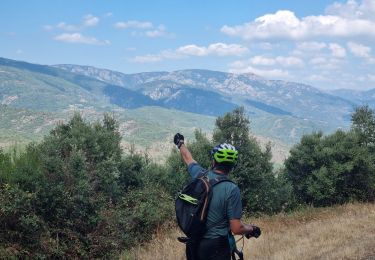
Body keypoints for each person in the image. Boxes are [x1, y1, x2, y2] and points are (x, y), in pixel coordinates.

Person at [173, 133, 261, 260]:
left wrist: (180, 143)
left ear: (213, 161)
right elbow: (236, 228)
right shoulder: (232, 189)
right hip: (216, 247)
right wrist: (251, 228)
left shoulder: (200, 175)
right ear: (233, 165)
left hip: (194, 243)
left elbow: (188, 158)